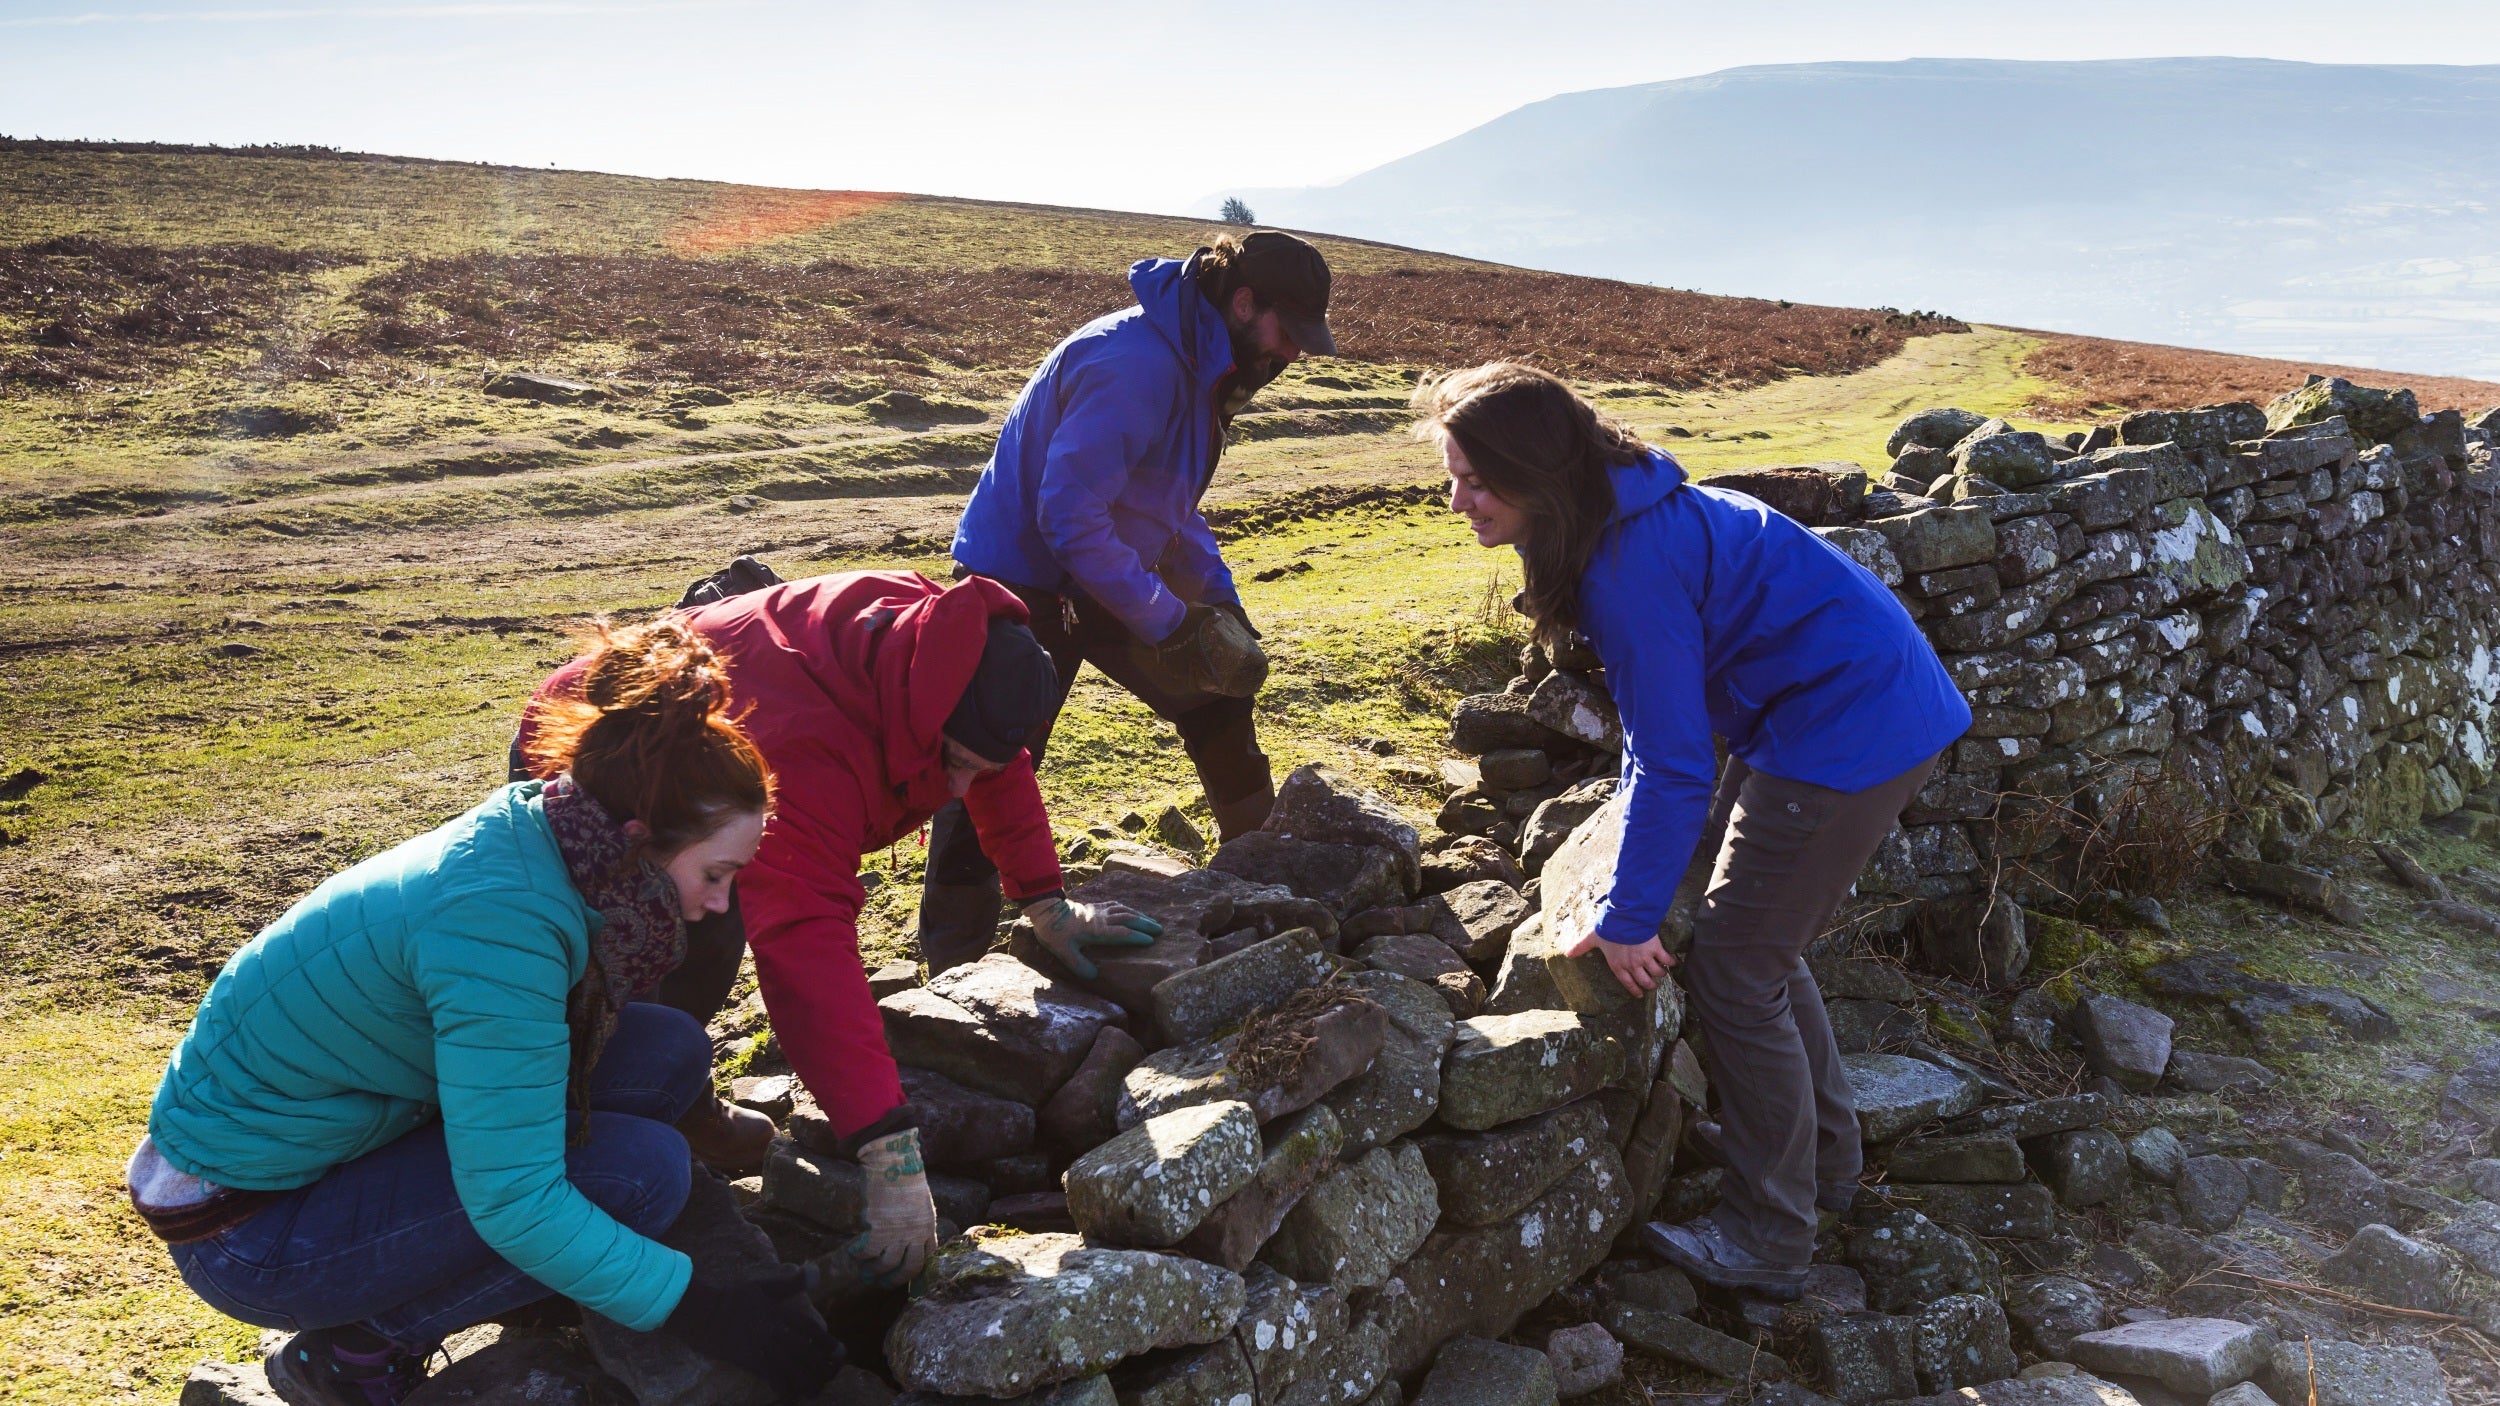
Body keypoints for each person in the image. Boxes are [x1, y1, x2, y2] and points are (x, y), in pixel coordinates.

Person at [132, 621, 838, 1404]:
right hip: (249, 1233)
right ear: (640, 838)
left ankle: (507, 1283)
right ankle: (359, 1348)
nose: (717, 904)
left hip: (306, 1149)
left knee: (665, 1048)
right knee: (641, 1175)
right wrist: (698, 1307)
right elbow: (515, 1199)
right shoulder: (502, 928)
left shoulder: (548, 831)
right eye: (716, 872)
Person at [1415, 363, 1971, 1299]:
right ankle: (1823, 1166)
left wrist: (1628, 918)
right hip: (1844, 707)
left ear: (1536, 474)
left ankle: (1769, 1236)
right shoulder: (1629, 510)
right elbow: (1658, 747)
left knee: (1738, 964)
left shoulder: (1626, 567)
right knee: (1763, 943)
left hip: (1847, 727)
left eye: (1474, 478)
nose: (1456, 497)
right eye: (1451, 473)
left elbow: (1673, 763)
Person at [514, 570, 1161, 1289]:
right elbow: (805, 945)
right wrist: (889, 1151)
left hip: (724, 763)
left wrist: (1046, 901)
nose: (954, 791)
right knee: (651, 954)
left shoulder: (956, 655)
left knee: (707, 923)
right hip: (600, 747)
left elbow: (997, 767)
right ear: (925, 720)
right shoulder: (810, 750)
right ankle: (583, 1168)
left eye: (971, 769)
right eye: (950, 763)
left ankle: (678, 1106)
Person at [922, 229, 1339, 959]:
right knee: (988, 758)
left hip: (1100, 571)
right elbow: (1068, 515)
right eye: (1289, 332)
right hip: (1021, 583)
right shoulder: (1137, 365)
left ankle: (1258, 878)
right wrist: (1166, 620)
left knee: (1216, 690)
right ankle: (951, 963)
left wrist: (1217, 602)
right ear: (1243, 302)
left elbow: (1162, 505)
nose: (1293, 353)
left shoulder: (1199, 363)